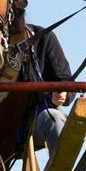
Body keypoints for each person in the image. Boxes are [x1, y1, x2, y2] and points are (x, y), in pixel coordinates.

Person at [25, 24, 72, 156]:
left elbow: (66, 81)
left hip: (35, 118)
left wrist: (63, 93)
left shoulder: (44, 37)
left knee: (56, 121)